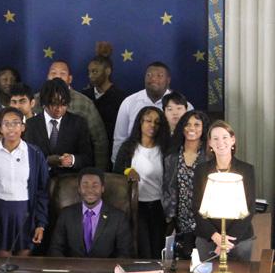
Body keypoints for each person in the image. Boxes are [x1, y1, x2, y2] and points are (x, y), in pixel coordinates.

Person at [0, 107, 49, 256]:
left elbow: (42, 191)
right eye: (6, 123)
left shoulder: (35, 153)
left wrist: (40, 224)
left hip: (25, 213)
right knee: (2, 263)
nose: (11, 128)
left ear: (23, 127)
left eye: (16, 123)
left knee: (23, 267)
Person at [193, 120, 256, 261]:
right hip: (208, 239)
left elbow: (250, 207)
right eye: (215, 138)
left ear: (232, 140)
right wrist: (215, 236)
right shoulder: (201, 170)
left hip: (239, 239)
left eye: (225, 137)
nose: (220, 142)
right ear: (210, 144)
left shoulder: (246, 170)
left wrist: (226, 242)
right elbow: (196, 207)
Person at [114, 106, 169, 259]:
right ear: (140, 122)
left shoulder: (164, 149)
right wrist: (127, 172)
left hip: (159, 206)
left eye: (157, 122)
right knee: (143, 248)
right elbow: (116, 173)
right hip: (136, 205)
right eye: (148, 121)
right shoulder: (128, 147)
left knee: (158, 248)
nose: (152, 125)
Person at [34, 60, 109, 170]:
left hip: (72, 174)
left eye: (62, 73)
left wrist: (100, 173)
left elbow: (99, 140)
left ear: (70, 79)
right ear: (47, 77)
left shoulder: (84, 103)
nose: (57, 77)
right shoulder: (35, 101)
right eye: (53, 73)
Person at [112, 62, 193, 163]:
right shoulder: (129, 102)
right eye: (149, 75)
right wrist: (117, 164)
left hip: (172, 164)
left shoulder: (184, 106)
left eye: (160, 76)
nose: (153, 79)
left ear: (168, 80)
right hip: (134, 164)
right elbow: (120, 138)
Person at [48, 167, 133, 258]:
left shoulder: (119, 218)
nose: (90, 190)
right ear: (79, 189)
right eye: (85, 185)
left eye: (95, 185)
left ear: (102, 188)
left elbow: (125, 253)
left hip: (106, 270)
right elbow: (55, 249)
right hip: (73, 269)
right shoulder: (66, 214)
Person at [162, 110, 210, 258]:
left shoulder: (209, 156)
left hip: (204, 219)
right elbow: (167, 188)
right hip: (180, 219)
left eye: (197, 124)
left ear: (203, 129)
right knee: (182, 262)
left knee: (203, 261)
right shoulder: (172, 157)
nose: (191, 128)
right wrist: (169, 218)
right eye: (187, 124)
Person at [25, 78, 93, 176]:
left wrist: (72, 160)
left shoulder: (78, 123)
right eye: (54, 104)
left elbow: (88, 158)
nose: (59, 109)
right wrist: (46, 161)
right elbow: (26, 158)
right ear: (44, 103)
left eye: (64, 104)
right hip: (39, 182)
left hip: (68, 183)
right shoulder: (31, 125)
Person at [80, 44, 126, 161]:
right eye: (89, 72)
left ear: (107, 71)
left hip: (110, 155)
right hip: (85, 154)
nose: (90, 76)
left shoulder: (121, 99)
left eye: (95, 72)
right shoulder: (83, 96)